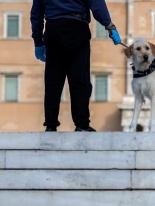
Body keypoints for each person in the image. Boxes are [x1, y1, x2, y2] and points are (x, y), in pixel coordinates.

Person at [30, 0, 121, 132]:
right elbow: (97, 5)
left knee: (53, 80)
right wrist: (109, 26)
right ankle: (81, 124)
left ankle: (51, 124)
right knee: (79, 79)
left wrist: (38, 41)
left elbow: (36, 13)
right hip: (77, 27)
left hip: (53, 28)